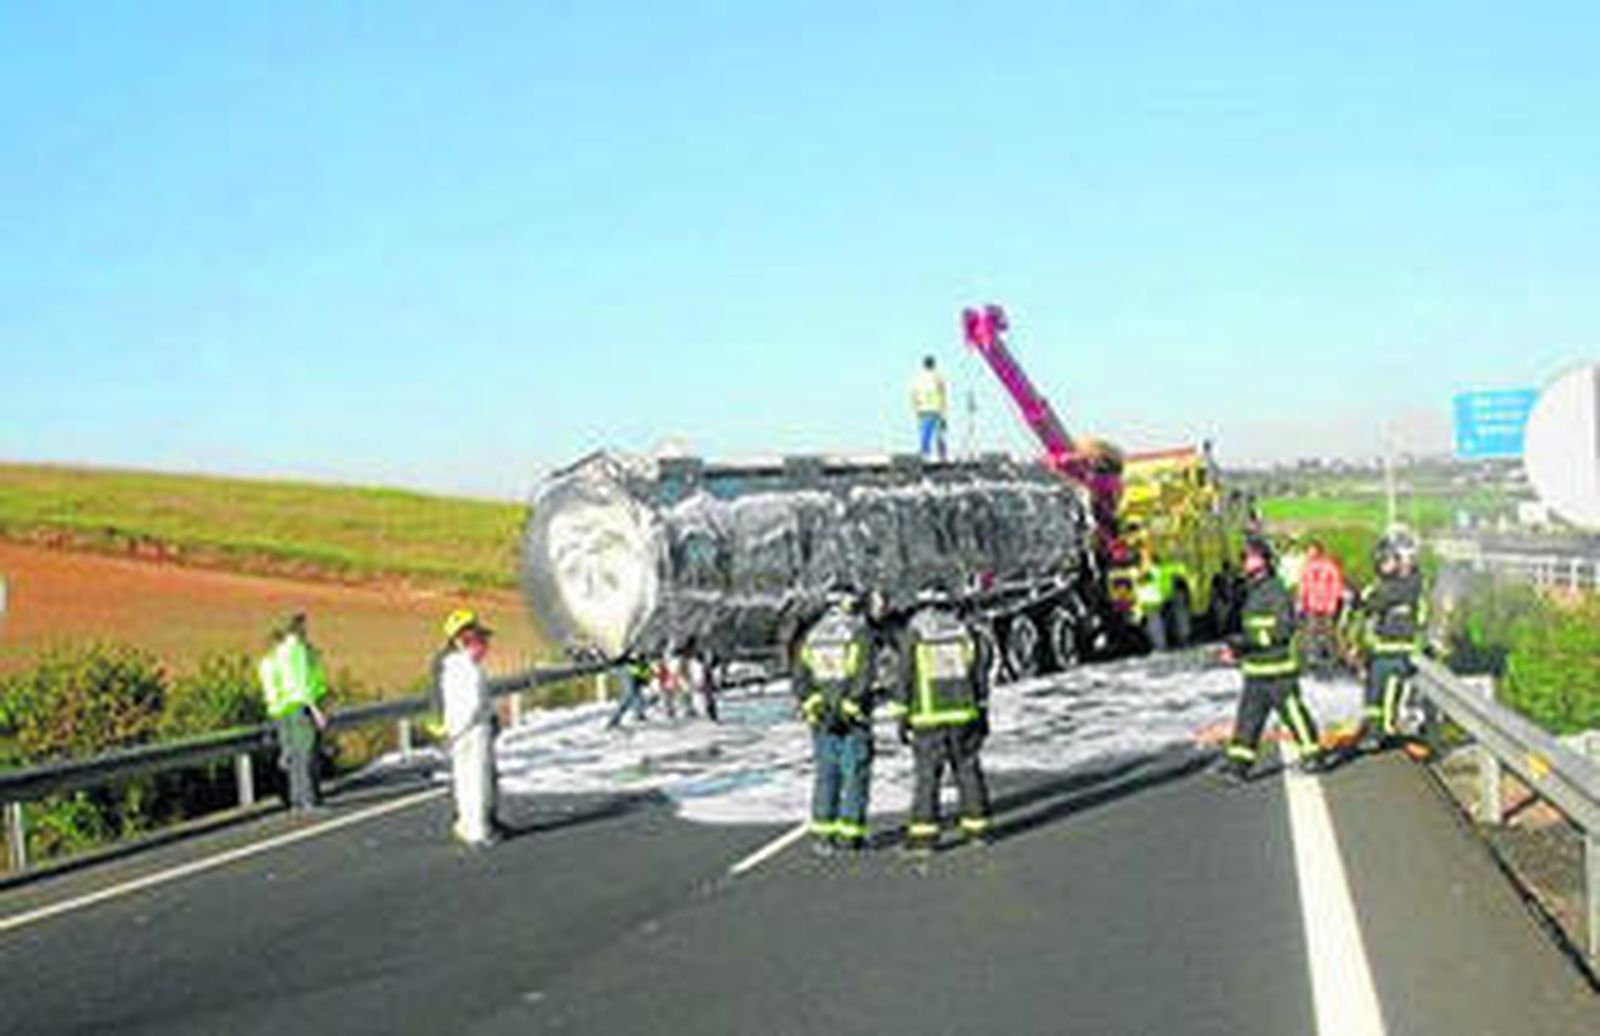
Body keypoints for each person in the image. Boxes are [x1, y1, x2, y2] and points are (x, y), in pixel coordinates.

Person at [1219, 538, 1325, 781]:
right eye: (1244, 557)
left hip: (1278, 668)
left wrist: (1248, 642)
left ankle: (1313, 754)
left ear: (1264, 561)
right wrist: (1237, 648)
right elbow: (1245, 628)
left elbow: (1282, 629)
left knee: (1293, 713)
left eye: (1250, 556)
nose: (1245, 561)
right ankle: (1239, 765)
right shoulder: (1248, 592)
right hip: (1255, 669)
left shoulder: (1276, 590)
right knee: (1248, 719)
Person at [896, 600, 993, 852]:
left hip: (928, 718)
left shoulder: (916, 631)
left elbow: (905, 674)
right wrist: (982, 710)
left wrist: (902, 714)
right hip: (964, 714)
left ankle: (924, 838)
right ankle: (978, 831)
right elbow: (979, 671)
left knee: (928, 776)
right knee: (968, 772)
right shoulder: (964, 630)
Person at [792, 594, 878, 854]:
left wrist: (815, 706)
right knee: (854, 775)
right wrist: (849, 706)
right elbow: (864, 675)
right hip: (852, 720)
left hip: (822, 721)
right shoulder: (859, 632)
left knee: (826, 776)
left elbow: (800, 678)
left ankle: (823, 836)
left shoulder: (812, 634)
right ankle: (850, 836)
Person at [1357, 532, 1427, 749]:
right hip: (1381, 648)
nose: (1383, 564)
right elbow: (1371, 607)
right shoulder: (1387, 584)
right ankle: (1371, 729)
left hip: (1399, 649)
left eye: (1388, 559)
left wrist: (1369, 597)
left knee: (1389, 690)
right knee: (1373, 692)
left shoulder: (1410, 583)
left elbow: (1382, 599)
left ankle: (1382, 732)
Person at [439, 608, 501, 846]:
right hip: (473, 731)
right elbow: (473, 704)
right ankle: (478, 829)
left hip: (458, 731)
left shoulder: (451, 667)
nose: (485, 647)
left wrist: (452, 730)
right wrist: (483, 719)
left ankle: (467, 824)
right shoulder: (468, 670)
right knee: (476, 779)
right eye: (480, 641)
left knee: (464, 779)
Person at [258, 612, 329, 811]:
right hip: (301, 706)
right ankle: (309, 800)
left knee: (293, 756)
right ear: (297, 628)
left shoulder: (276, 654)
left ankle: (296, 799)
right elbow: (301, 682)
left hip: (283, 708)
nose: (307, 630)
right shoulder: (296, 650)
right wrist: (315, 709)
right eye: (304, 626)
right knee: (306, 754)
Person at [1297, 540, 1346, 676]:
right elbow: (1304, 586)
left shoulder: (1329, 567)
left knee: (1328, 634)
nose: (1309, 554)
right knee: (1310, 634)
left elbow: (1336, 586)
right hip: (1312, 606)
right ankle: (1311, 660)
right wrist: (1301, 603)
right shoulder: (1306, 567)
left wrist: (1333, 604)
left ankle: (1332, 660)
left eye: (1311, 551)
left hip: (1327, 606)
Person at [910, 355, 949, 462]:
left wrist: (916, 408)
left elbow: (914, 394)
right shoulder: (938, 377)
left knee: (925, 432)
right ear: (934, 365)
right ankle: (942, 454)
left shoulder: (918, 378)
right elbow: (943, 392)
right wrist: (944, 410)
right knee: (940, 433)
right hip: (936, 409)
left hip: (923, 409)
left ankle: (925, 453)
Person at [606, 655, 654, 729]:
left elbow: (611, 671)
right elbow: (641, 675)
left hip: (626, 690)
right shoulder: (631, 668)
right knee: (636, 702)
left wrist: (613, 664)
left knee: (623, 706)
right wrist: (645, 679)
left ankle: (614, 721)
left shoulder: (620, 669)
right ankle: (639, 715)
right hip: (631, 690)